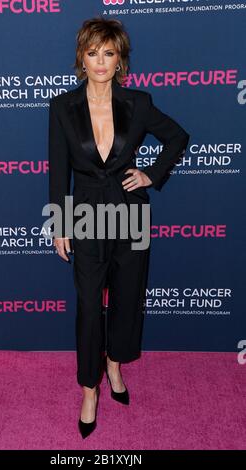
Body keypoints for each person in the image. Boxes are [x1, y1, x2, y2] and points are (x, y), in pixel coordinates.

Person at [48, 17, 190, 439]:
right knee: (90, 307)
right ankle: (89, 388)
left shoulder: (138, 103)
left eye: (108, 53)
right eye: (93, 52)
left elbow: (178, 137)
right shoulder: (62, 107)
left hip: (130, 215)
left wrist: (151, 174)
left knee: (127, 301)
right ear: (82, 57)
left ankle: (115, 366)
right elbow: (59, 173)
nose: (100, 61)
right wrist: (60, 224)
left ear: (120, 59)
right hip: (87, 217)